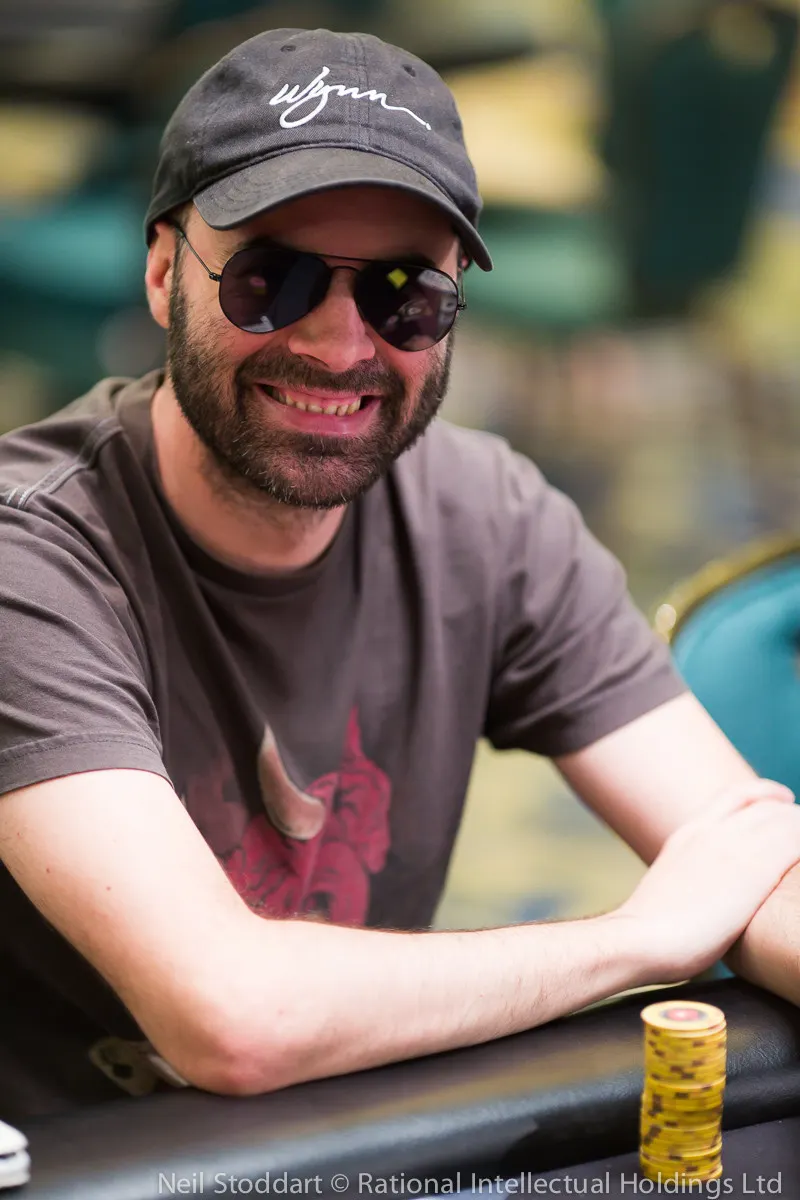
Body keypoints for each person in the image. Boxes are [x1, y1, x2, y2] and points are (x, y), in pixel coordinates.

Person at [0, 27, 798, 1122]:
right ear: (162, 271)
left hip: (353, 1148)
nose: (340, 347)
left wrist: (740, 907)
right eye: (272, 281)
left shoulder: (489, 518)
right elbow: (233, 1015)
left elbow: (755, 868)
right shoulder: (31, 560)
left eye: (402, 294)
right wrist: (640, 939)